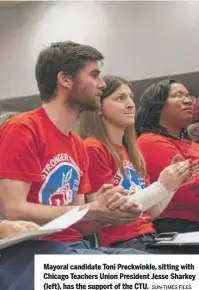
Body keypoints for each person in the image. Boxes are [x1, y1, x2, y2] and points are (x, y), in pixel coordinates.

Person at [78, 75, 195, 252]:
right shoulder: (93, 147)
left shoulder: (132, 152)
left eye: (131, 97)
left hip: (150, 237)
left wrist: (173, 185)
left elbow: (150, 212)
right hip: (121, 244)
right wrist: (162, 186)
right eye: (120, 98)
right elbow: (105, 214)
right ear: (99, 107)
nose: (131, 104)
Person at [136, 78, 199, 233]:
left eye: (189, 97)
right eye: (178, 95)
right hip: (176, 224)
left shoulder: (191, 144)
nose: (188, 101)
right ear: (157, 106)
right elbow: (188, 191)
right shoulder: (150, 141)